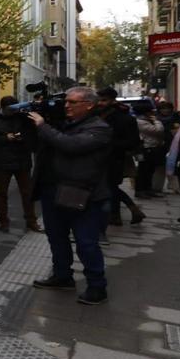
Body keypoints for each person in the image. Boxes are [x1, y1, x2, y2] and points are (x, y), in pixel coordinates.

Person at [29, 87, 114, 305]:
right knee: (56, 237)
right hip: (53, 190)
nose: (66, 105)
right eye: (66, 102)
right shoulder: (63, 124)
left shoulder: (99, 128)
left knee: (86, 243)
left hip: (82, 193)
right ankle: (62, 276)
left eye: (72, 102)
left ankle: (97, 287)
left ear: (89, 105)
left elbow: (70, 146)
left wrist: (43, 125)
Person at [0, 96, 41, 233]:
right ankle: (3, 221)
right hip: (2, 162)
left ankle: (31, 221)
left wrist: (23, 138)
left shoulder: (23, 118)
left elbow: (33, 135)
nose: (13, 111)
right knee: (1, 193)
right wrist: (5, 138)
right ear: (3, 108)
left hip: (22, 160)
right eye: (10, 109)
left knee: (27, 193)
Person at [96, 88, 145, 226]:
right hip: (98, 158)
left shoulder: (124, 118)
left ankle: (121, 213)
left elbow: (132, 142)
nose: (100, 103)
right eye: (98, 99)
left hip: (114, 159)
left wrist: (108, 143)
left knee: (110, 187)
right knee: (109, 187)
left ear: (112, 100)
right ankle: (122, 213)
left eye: (104, 100)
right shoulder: (95, 115)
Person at [134, 106, 165, 198]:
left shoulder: (146, 121)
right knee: (143, 170)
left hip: (152, 147)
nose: (153, 113)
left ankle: (148, 189)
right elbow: (158, 130)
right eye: (151, 111)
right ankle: (140, 190)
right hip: (146, 148)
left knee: (150, 170)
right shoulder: (140, 122)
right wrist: (157, 121)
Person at [156, 100, 180, 194]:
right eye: (163, 108)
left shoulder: (178, 117)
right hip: (160, 144)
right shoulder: (156, 119)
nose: (166, 110)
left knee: (174, 164)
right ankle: (158, 186)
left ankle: (175, 186)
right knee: (160, 165)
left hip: (175, 143)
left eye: (168, 108)